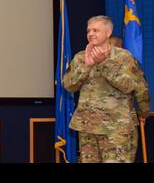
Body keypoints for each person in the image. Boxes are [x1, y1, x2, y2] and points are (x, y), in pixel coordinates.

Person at [63, 15, 150, 163]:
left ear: (108, 33)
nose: (91, 34)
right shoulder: (80, 58)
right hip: (87, 127)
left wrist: (104, 64)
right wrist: (87, 65)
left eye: (95, 30)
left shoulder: (124, 57)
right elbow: (68, 85)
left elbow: (130, 86)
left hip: (117, 129)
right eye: (88, 31)